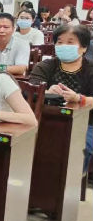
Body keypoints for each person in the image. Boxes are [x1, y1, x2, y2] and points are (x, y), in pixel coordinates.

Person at [29, 24, 93, 171]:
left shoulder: (90, 70)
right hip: (46, 118)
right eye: (60, 42)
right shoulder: (46, 65)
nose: (64, 46)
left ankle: (73, 180)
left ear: (83, 48)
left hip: (87, 123)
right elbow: (29, 91)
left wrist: (79, 98)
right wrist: (46, 92)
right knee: (31, 141)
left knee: (78, 147)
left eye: (70, 42)